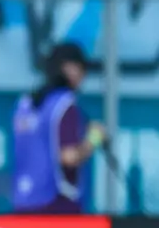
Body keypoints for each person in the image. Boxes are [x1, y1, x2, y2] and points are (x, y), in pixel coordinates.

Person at [11, 42, 106, 213]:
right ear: (68, 68)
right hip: (57, 205)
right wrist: (94, 138)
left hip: (23, 202)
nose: (83, 76)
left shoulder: (25, 104)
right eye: (81, 69)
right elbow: (69, 156)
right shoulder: (64, 103)